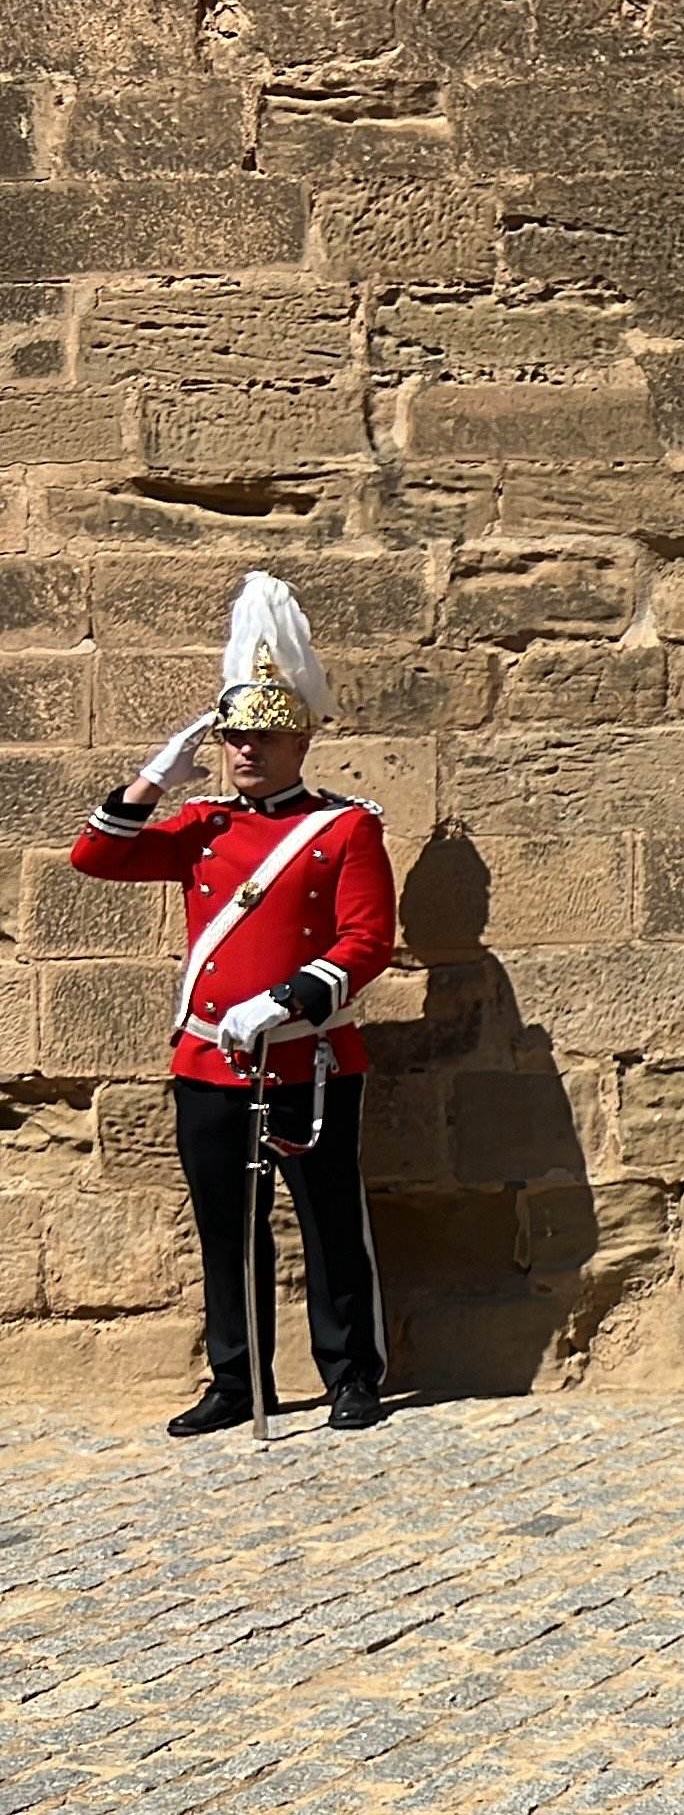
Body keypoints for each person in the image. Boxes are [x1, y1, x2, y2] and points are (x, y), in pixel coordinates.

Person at [72, 573, 397, 1437]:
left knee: (329, 1219)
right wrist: (150, 783)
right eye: (234, 739)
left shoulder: (345, 829)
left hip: (306, 1057)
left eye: (263, 737)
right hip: (209, 1058)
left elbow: (366, 942)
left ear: (299, 741)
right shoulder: (205, 825)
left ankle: (351, 1373)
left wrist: (288, 1001)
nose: (245, 751)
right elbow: (93, 860)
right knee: (227, 1226)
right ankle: (237, 1378)